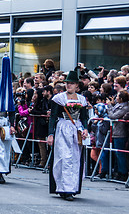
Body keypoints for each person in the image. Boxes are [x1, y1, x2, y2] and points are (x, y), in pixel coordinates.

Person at [47, 71, 89, 201]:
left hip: (76, 129)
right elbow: (53, 117)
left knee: (75, 158)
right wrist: (50, 134)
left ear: (77, 85)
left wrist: (86, 129)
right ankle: (63, 187)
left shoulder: (81, 99)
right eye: (67, 83)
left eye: (71, 83)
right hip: (63, 127)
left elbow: (84, 117)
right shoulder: (59, 98)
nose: (69, 86)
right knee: (64, 158)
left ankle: (72, 188)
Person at [106, 90, 129, 181]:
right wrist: (112, 105)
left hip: (121, 133)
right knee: (116, 153)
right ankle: (119, 171)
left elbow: (113, 115)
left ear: (122, 98)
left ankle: (123, 172)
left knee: (120, 154)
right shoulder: (118, 105)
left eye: (118, 97)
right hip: (115, 132)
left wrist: (109, 106)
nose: (116, 98)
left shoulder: (125, 107)